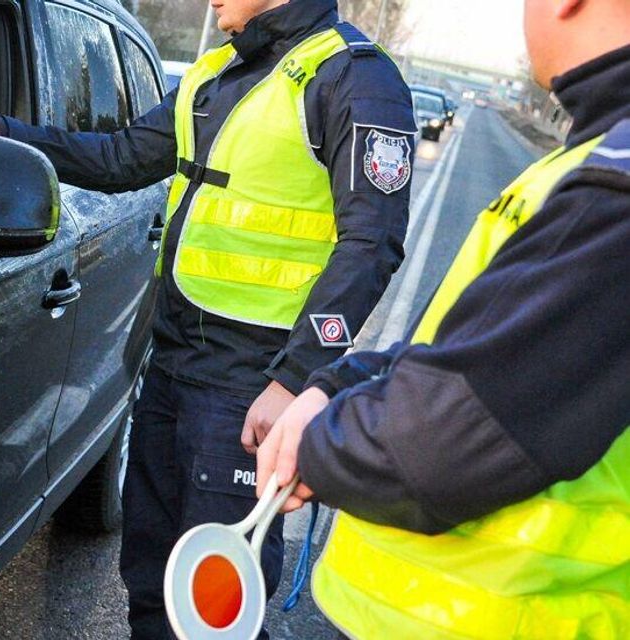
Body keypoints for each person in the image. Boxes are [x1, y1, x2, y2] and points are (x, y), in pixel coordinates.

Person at [0, 0, 414, 636]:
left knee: (214, 611)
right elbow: (120, 158)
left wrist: (296, 380)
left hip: (253, 385)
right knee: (155, 580)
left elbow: (371, 243)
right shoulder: (217, 71)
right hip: (173, 365)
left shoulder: (354, 76)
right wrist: (2, 134)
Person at [254, 0, 630, 637]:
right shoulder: (588, 158)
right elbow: (457, 343)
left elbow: (446, 440)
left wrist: (309, 451)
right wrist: (335, 385)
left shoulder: (612, 184)